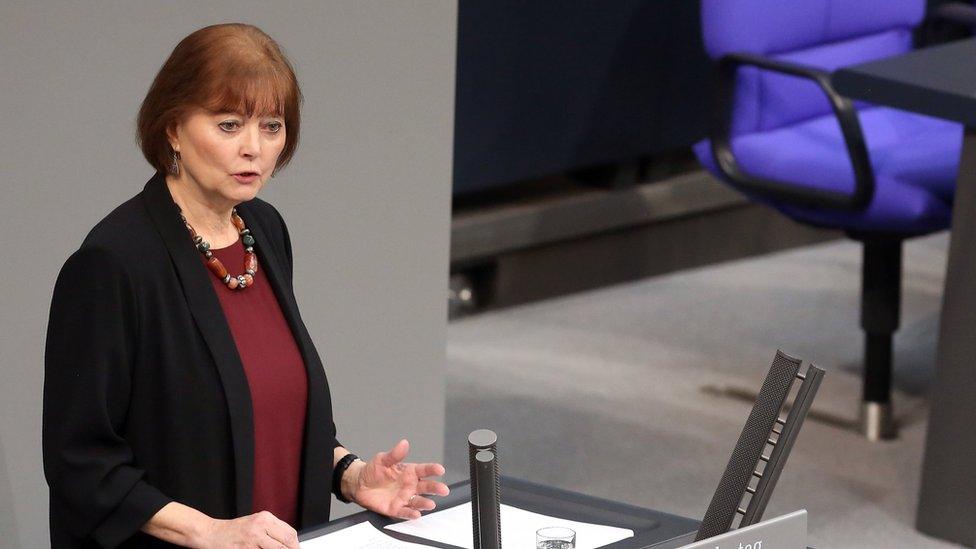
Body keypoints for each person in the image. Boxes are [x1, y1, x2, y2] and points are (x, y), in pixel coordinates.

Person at [42, 23, 449, 548]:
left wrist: (349, 474)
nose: (254, 149)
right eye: (229, 125)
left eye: (272, 126)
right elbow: (81, 461)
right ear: (172, 128)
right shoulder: (114, 263)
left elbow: (260, 410)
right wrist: (209, 531)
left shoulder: (263, 230)